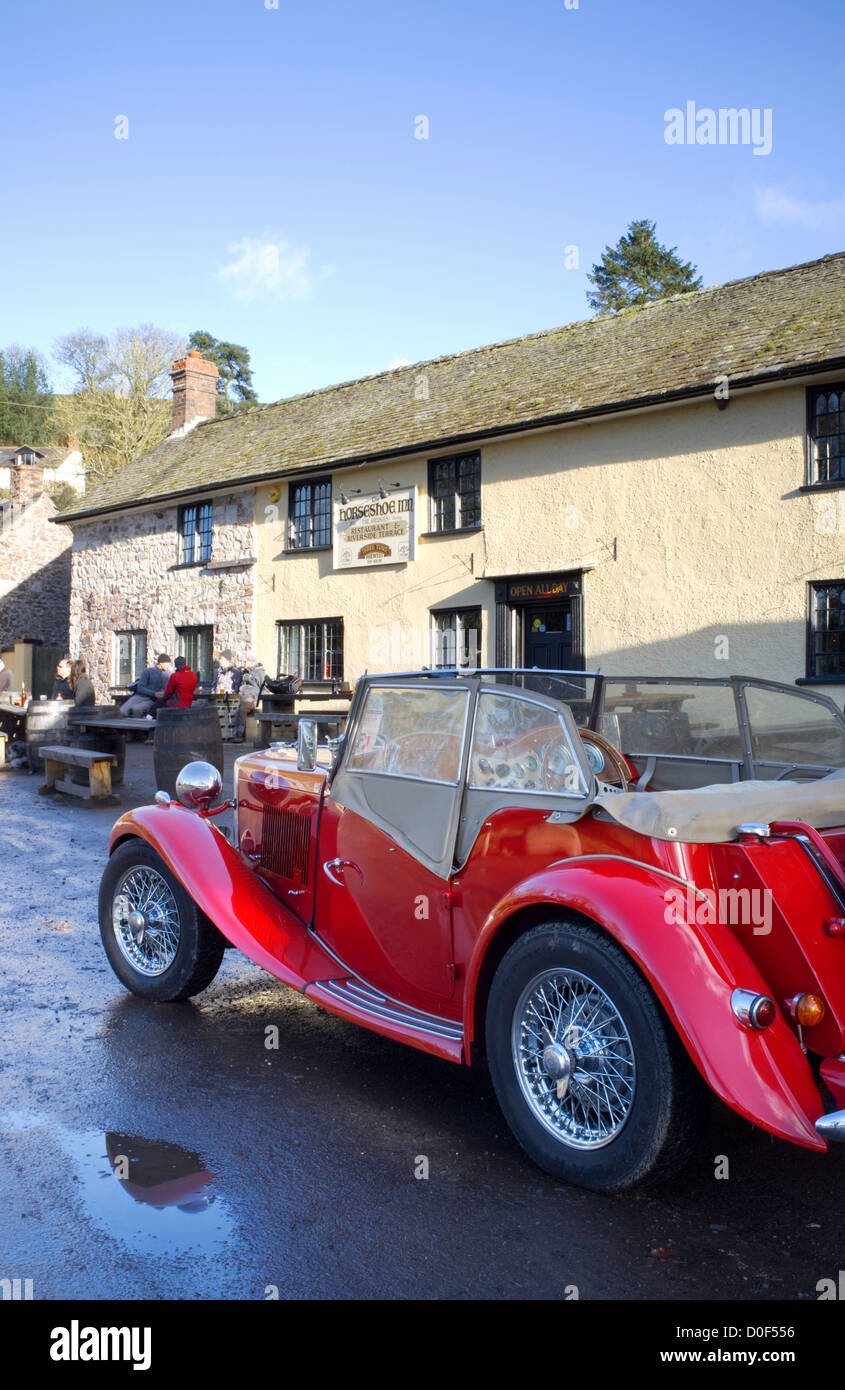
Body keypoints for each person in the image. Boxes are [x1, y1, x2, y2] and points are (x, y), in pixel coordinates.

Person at [235, 652, 266, 742]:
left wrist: (259, 701)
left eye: (245, 661)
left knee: (242, 709)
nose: (243, 663)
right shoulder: (245, 672)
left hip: (253, 698)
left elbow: (264, 688)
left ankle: (239, 734)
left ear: (252, 662)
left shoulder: (260, 673)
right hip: (242, 696)